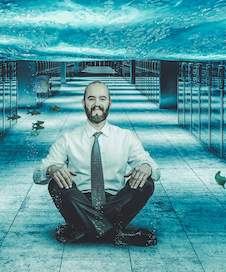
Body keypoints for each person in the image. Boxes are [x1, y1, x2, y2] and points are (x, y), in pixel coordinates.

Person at [32, 81, 160, 247]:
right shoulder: (68, 139)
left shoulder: (126, 137)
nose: (97, 104)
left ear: (109, 103)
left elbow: (155, 170)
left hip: (117, 203)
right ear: (83, 103)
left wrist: (146, 167)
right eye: (91, 98)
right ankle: (118, 235)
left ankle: (84, 229)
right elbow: (37, 175)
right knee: (55, 183)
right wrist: (51, 168)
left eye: (102, 99)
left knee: (146, 182)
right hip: (79, 202)